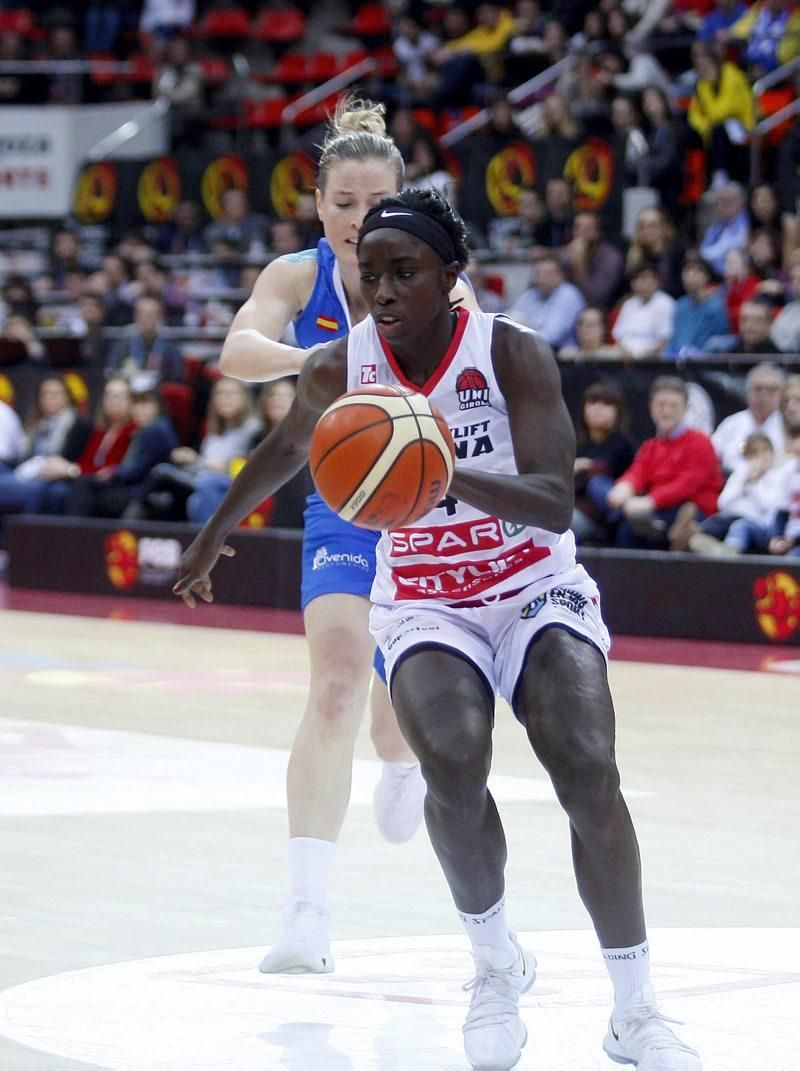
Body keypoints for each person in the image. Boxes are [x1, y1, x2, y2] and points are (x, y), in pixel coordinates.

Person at [174, 187, 702, 1071]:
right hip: (425, 595)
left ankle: (635, 1009)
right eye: (370, 274)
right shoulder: (344, 365)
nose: (381, 290)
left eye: (403, 272)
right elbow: (288, 448)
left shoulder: (513, 353)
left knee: (586, 763)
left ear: (451, 273)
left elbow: (554, 502)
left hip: (532, 582)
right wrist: (213, 532)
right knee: (451, 764)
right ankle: (496, 968)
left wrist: (440, 471)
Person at [213, 98, 480, 975]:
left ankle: (398, 759)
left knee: (398, 713)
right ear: (319, 206)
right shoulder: (297, 276)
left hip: (428, 501)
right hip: (343, 498)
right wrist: (318, 364)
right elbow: (236, 351)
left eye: (376, 201)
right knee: (333, 676)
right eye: (343, 202)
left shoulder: (440, 276)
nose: (360, 217)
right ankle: (306, 910)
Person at [608, 375, 722, 548]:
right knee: (621, 521)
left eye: (673, 406)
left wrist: (650, 501)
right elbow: (638, 472)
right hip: (658, 510)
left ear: (685, 409)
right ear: (651, 407)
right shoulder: (650, 446)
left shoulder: (701, 442)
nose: (666, 411)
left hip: (695, 511)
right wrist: (625, 486)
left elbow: (686, 484)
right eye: (661, 405)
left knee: (629, 522)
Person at [683, 432, 785, 555]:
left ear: (772, 454)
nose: (761, 457)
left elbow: (769, 506)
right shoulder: (740, 474)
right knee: (702, 529)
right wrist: (744, 482)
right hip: (730, 518)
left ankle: (730, 553)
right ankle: (709, 547)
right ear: (748, 457)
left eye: (765, 451)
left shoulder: (779, 476)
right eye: (755, 453)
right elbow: (722, 503)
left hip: (757, 525)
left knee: (740, 526)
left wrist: (753, 485)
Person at [572, 381, 636, 544]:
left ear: (617, 412)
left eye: (606, 404)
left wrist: (586, 470)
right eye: (593, 402)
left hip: (604, 519)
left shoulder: (623, 445)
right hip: (571, 508)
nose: (598, 409)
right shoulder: (575, 445)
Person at [712, 362, 787, 473]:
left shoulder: (788, 426)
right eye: (758, 389)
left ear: (782, 395)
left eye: (771, 390)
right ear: (747, 393)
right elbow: (711, 455)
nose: (764, 396)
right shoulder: (731, 424)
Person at [506, 254, 585, 350]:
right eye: (538, 273)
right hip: (529, 349)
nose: (542, 278)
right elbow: (509, 322)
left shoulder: (568, 294)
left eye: (548, 274)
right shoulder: (529, 295)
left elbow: (552, 336)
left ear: (560, 276)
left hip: (560, 354)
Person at [668, 252, 730, 355]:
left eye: (697, 271)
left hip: (703, 363)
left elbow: (717, 343)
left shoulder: (716, 308)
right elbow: (674, 340)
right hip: (676, 362)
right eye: (687, 270)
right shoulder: (680, 305)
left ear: (707, 276)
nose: (691, 275)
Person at [611, 264, 675, 358]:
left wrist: (639, 356)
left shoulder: (666, 304)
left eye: (644, 278)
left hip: (652, 361)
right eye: (636, 279)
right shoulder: (628, 304)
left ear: (656, 281)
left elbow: (664, 342)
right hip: (625, 358)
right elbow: (618, 337)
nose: (639, 283)